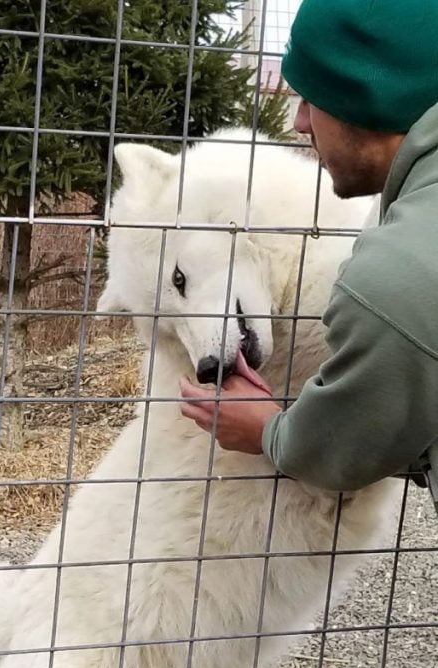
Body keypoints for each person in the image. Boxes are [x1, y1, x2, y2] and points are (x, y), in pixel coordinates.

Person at [179, 0, 438, 507]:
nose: (300, 123)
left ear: (365, 95)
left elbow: (353, 446)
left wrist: (271, 432)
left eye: (310, 97)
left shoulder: (396, 274)